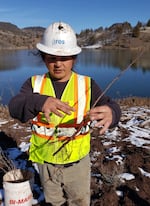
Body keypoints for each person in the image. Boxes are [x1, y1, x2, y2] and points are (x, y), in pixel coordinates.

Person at [8, 21, 121, 206]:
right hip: (46, 164)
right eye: (51, 57)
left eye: (65, 58)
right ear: (43, 57)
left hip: (77, 164)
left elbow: (110, 105)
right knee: (54, 202)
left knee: (79, 202)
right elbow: (14, 107)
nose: (58, 64)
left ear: (74, 58)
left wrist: (112, 112)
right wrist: (39, 101)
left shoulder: (87, 85)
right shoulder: (34, 84)